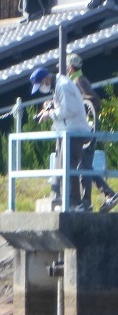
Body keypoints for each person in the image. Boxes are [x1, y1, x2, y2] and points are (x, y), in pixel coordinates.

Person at [31, 66, 89, 210]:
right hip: (68, 131)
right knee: (64, 166)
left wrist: (49, 114)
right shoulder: (58, 86)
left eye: (41, 84)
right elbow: (65, 106)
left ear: (46, 79)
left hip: (74, 130)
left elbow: (69, 109)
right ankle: (70, 201)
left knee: (68, 166)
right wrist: (51, 105)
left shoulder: (62, 86)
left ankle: (76, 203)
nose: (42, 88)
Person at [67, 54, 118, 212]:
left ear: (70, 68)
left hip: (85, 128)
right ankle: (93, 199)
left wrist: (85, 115)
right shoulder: (77, 80)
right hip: (83, 127)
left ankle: (100, 197)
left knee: (83, 164)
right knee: (84, 164)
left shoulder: (78, 81)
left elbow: (94, 100)